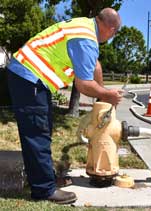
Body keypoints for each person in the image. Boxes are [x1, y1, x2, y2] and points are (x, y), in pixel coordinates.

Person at [7, 8, 122, 204]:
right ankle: (44, 190)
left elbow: (95, 66)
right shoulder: (86, 39)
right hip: (28, 78)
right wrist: (107, 95)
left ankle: (44, 178)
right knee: (37, 134)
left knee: (42, 129)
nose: (112, 37)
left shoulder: (84, 27)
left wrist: (102, 101)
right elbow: (83, 84)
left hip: (30, 78)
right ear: (111, 29)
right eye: (115, 33)